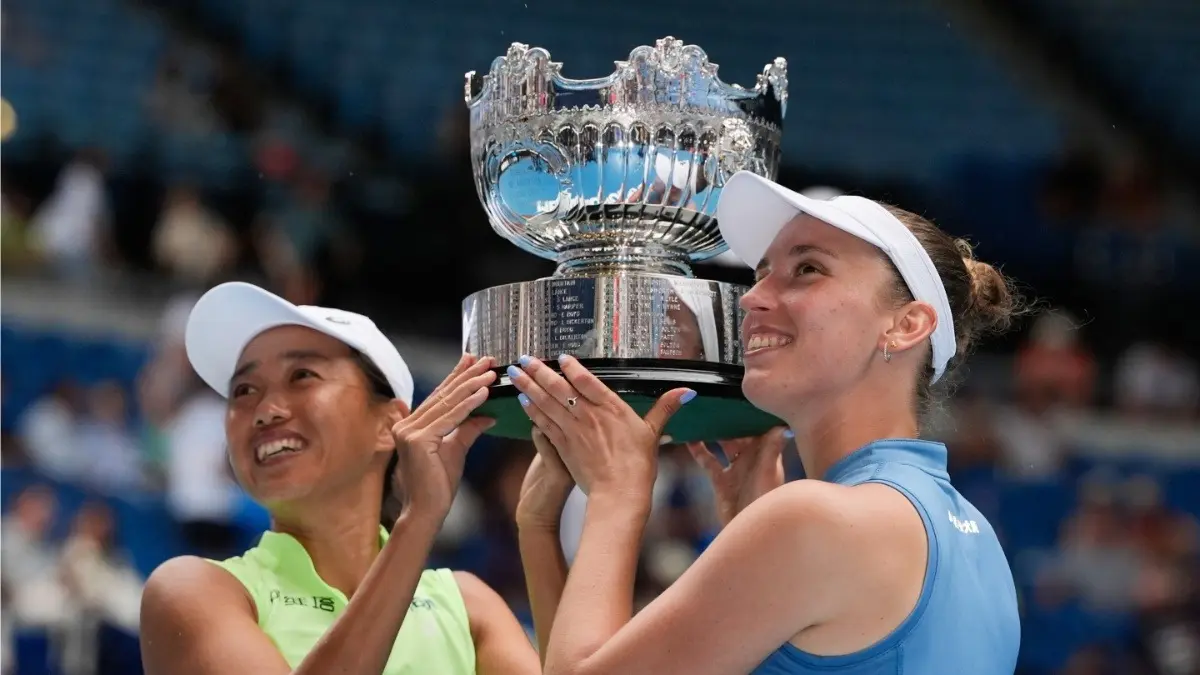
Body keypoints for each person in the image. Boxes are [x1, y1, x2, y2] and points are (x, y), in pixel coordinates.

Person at [509, 170, 1024, 674]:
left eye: (807, 270)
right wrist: (539, 526)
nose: (753, 298)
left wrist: (615, 497)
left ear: (906, 324)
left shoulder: (816, 521)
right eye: (760, 274)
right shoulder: (977, 537)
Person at [139, 282, 541, 675]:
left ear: (390, 425)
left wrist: (551, 521)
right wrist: (418, 520)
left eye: (302, 376)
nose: (266, 410)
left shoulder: (468, 604)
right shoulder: (192, 591)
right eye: (244, 389)